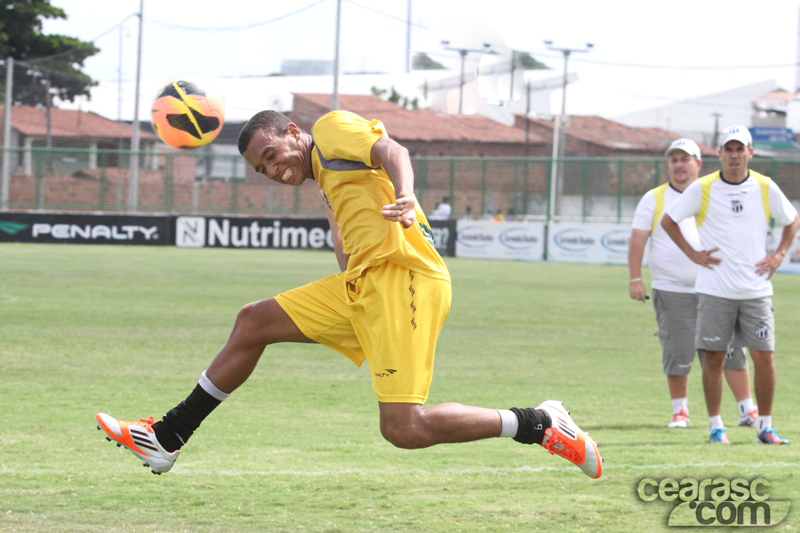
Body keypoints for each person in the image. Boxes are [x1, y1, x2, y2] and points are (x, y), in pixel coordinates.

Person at [95, 110, 603, 478]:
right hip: (364, 284)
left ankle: (540, 423)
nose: (273, 170)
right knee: (254, 321)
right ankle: (168, 436)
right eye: (262, 170)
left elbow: (393, 151)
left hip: (404, 279)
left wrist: (406, 195)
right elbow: (344, 237)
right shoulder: (325, 177)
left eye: (272, 155)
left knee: (404, 428)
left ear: (294, 132)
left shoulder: (331, 129)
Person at [662, 125, 800, 445]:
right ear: (720, 153)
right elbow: (669, 221)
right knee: (714, 357)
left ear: (750, 153)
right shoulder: (703, 187)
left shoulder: (765, 186)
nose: (735, 155)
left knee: (764, 356)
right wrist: (692, 254)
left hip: (756, 290)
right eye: (729, 149)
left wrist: (779, 254)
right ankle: (716, 427)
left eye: (740, 149)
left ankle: (765, 427)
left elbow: (792, 219)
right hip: (715, 290)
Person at [628, 138, 758, 430]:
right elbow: (638, 239)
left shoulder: (715, 192)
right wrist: (635, 278)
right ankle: (680, 411)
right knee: (677, 350)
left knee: (731, 350)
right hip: (672, 289)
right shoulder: (654, 198)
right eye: (673, 159)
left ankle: (747, 409)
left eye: (685, 159)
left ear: (698, 164)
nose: (679, 165)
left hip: (718, 287)